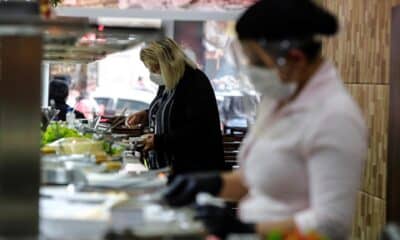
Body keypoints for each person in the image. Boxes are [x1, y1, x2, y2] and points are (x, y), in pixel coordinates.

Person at [162, 1, 367, 239]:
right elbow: (260, 178)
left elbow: (331, 223)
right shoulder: (279, 100)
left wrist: (248, 228)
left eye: (257, 62)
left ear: (296, 59)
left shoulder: (334, 116)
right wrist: (210, 183)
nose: (251, 70)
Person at [125, 38, 225, 177]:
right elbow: (167, 109)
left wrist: (159, 141)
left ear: (167, 64)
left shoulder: (195, 82)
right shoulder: (169, 80)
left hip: (193, 169)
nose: (153, 73)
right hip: (168, 166)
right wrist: (147, 115)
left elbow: (198, 130)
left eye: (156, 68)